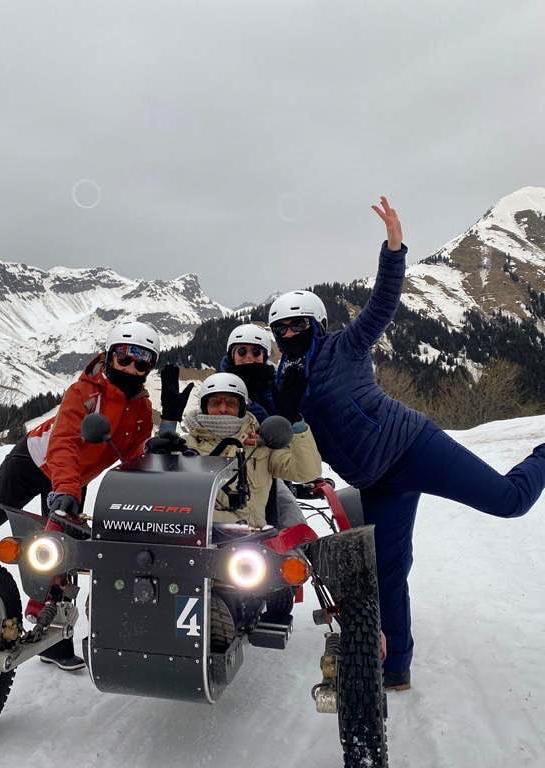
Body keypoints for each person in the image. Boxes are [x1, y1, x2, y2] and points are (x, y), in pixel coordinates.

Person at [269, 196, 545, 691]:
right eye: (282, 329)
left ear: (315, 326)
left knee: (509, 501)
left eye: (297, 325)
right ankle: (396, 668)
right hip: (377, 481)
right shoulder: (285, 379)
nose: (289, 333)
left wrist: (393, 247)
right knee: (389, 573)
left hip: (414, 446)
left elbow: (383, 304)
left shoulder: (345, 346)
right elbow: (263, 417)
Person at [0, 320, 159, 671]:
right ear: (110, 356)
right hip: (36, 460)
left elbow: (135, 459)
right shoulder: (84, 393)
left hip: (73, 478)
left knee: (61, 551)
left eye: (142, 361)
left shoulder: (142, 411)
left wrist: (166, 443)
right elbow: (64, 442)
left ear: (150, 366)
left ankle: (49, 636)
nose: (131, 367)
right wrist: (65, 490)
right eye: (125, 358)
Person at [154, 371, 322, 528]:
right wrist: (157, 452)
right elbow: (156, 490)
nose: (222, 409)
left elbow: (306, 472)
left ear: (241, 408)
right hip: (197, 539)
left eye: (231, 403)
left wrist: (295, 422)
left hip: (252, 543)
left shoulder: (261, 448)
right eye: (215, 402)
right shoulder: (185, 446)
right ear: (204, 407)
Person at [218, 322, 311, 527]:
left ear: (264, 356)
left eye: (256, 352)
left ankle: (302, 554)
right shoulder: (219, 390)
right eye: (241, 351)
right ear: (232, 354)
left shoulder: (276, 391)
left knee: (290, 518)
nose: (248, 357)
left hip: (268, 471)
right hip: (221, 470)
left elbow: (287, 437)